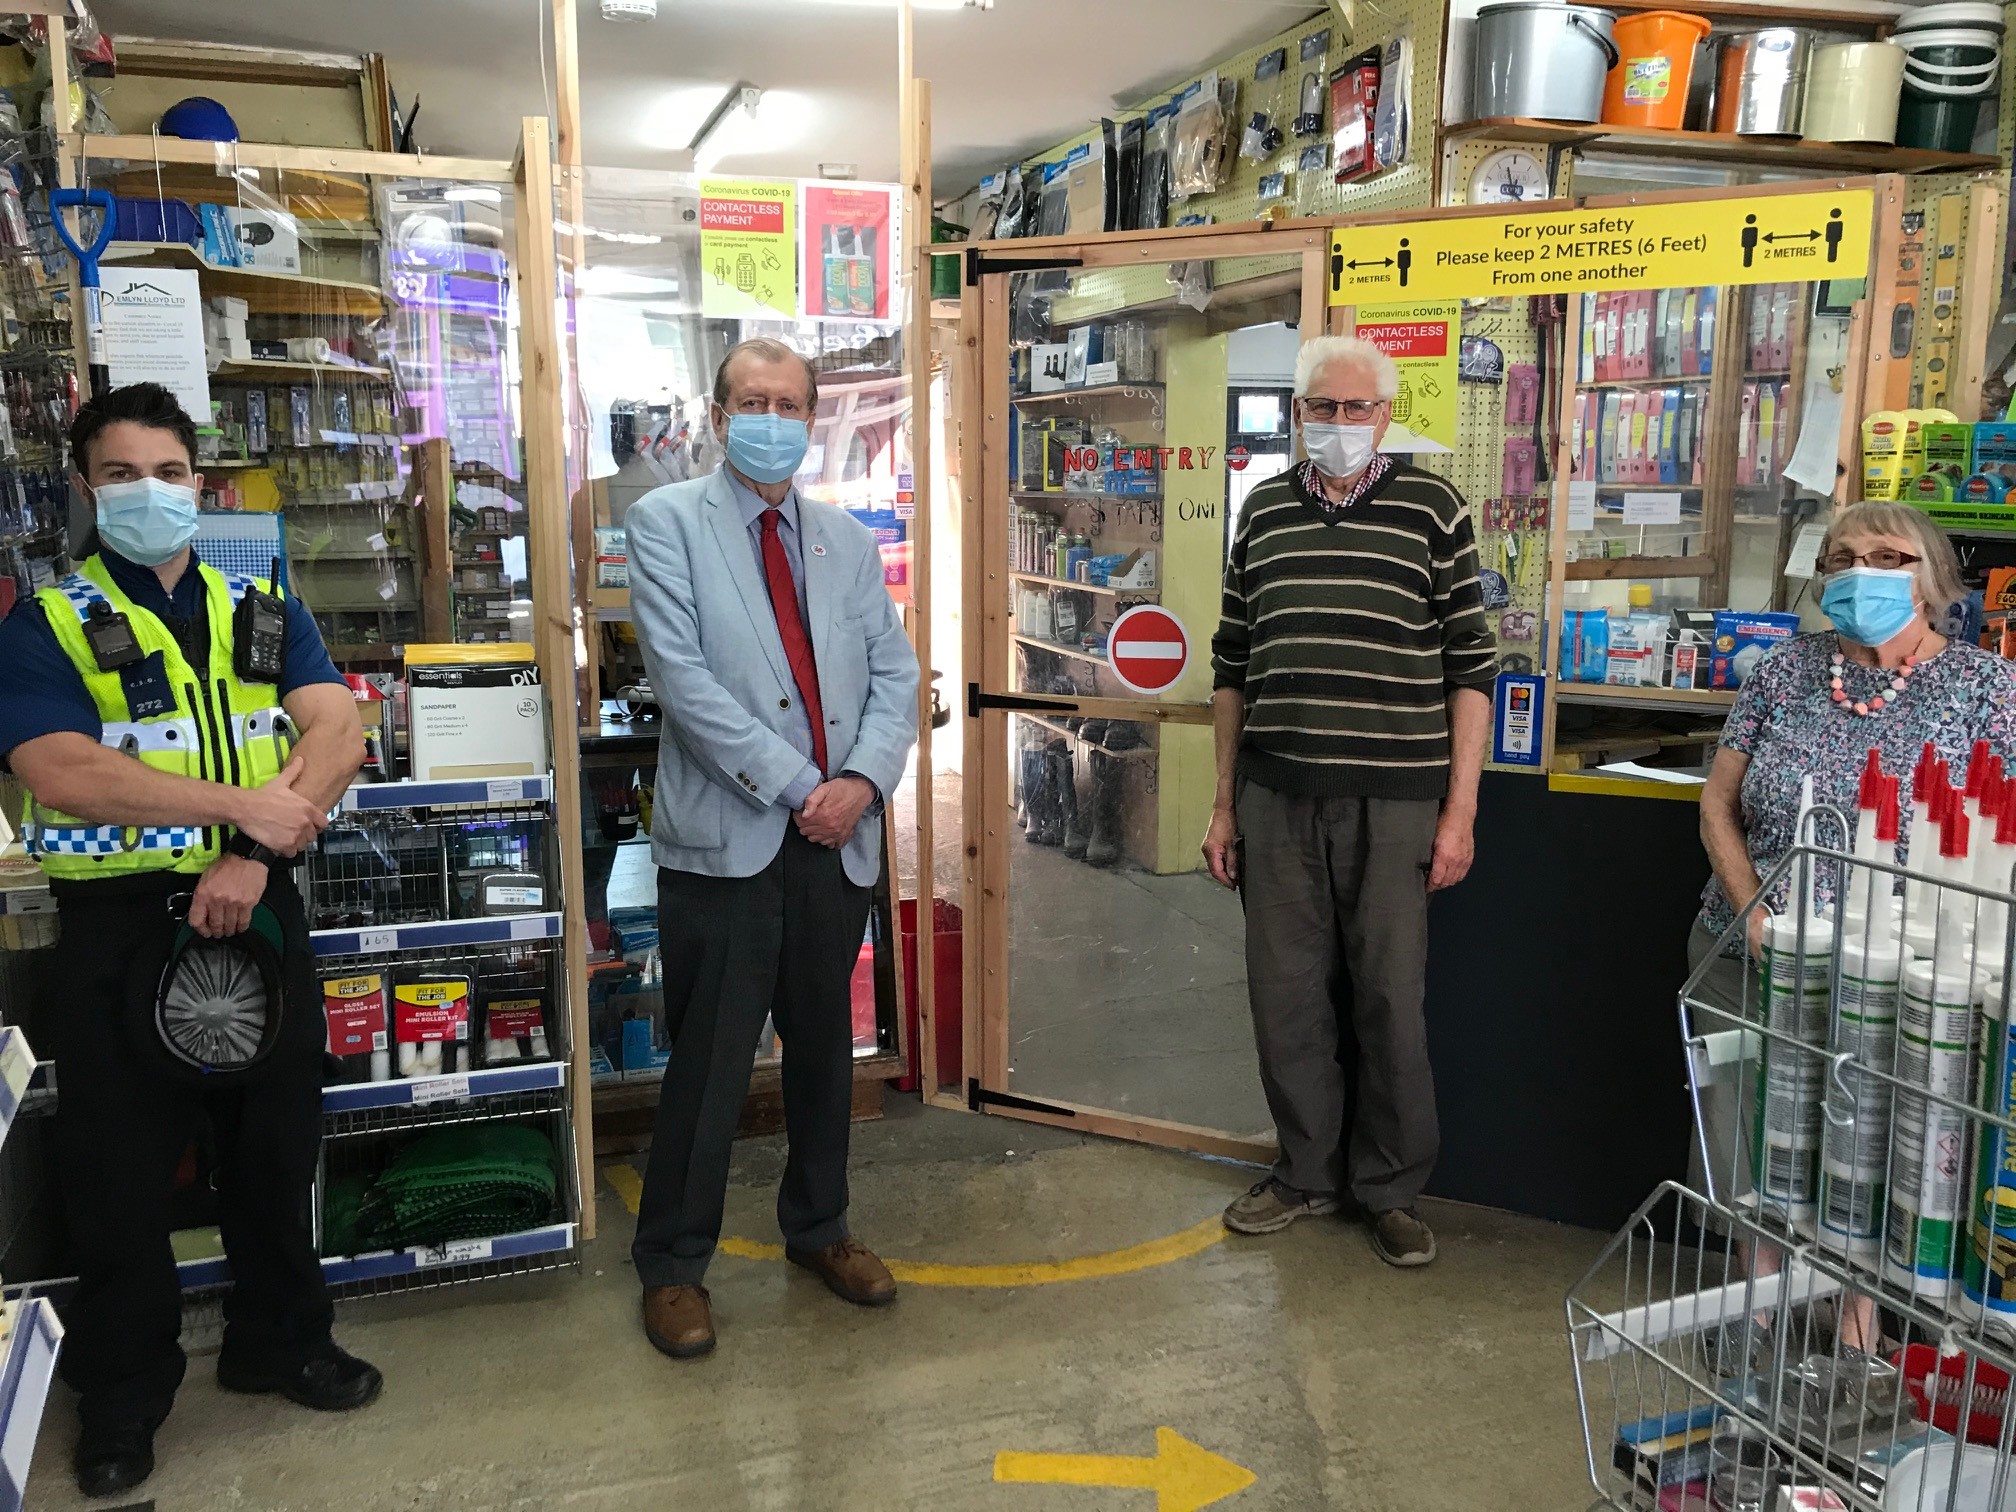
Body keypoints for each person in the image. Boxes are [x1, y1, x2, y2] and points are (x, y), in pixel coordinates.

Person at [0, 383, 376, 1498]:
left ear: (199, 485)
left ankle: (282, 1341)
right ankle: (124, 1396)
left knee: (273, 1148)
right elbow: (60, 768)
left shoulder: (260, 606)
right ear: (84, 488)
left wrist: (251, 851)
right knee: (116, 1177)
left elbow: (337, 728)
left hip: (259, 906)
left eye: (168, 473)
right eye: (122, 475)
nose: (149, 493)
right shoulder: (44, 622)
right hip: (118, 927)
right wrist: (237, 807)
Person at [624, 338, 919, 1359]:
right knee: (710, 1064)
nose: (773, 419)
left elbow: (896, 675)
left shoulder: (844, 540)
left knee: (826, 1054)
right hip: (731, 840)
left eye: (790, 404)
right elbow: (686, 686)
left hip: (835, 843)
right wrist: (806, 790)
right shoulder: (666, 523)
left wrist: (861, 784)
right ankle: (672, 1264)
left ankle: (820, 1226)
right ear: (717, 417)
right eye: (753, 401)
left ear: (811, 417)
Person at [1203, 334, 1496, 1269]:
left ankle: (1390, 1189)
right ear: (1297, 414)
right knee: (1285, 998)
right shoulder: (1262, 512)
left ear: (1386, 414)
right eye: (1321, 408)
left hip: (1395, 801)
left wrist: (1460, 813)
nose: (1339, 423)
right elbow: (1230, 666)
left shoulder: (1433, 510)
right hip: (1276, 795)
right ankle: (1304, 1174)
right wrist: (1222, 805)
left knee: (1388, 1000)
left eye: (1357, 408)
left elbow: (1472, 671)